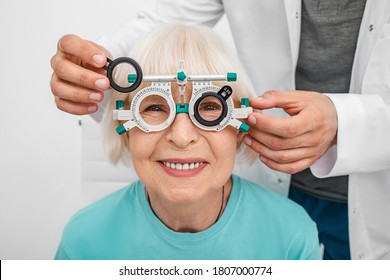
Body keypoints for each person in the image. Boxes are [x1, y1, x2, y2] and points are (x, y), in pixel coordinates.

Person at [50, 1, 390, 260]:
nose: (182, 137)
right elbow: (160, 26)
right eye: (154, 107)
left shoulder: (290, 233)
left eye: (209, 107)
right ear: (126, 126)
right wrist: (94, 67)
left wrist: (350, 121)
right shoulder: (84, 240)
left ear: (239, 128)